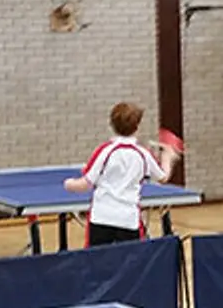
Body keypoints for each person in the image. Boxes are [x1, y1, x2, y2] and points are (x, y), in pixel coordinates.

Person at [63, 102, 181, 247]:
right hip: (128, 220)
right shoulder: (143, 154)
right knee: (129, 260)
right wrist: (167, 157)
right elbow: (163, 177)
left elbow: (85, 184)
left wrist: (69, 184)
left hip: (102, 218)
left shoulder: (105, 151)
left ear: (112, 125)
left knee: (97, 259)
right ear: (137, 127)